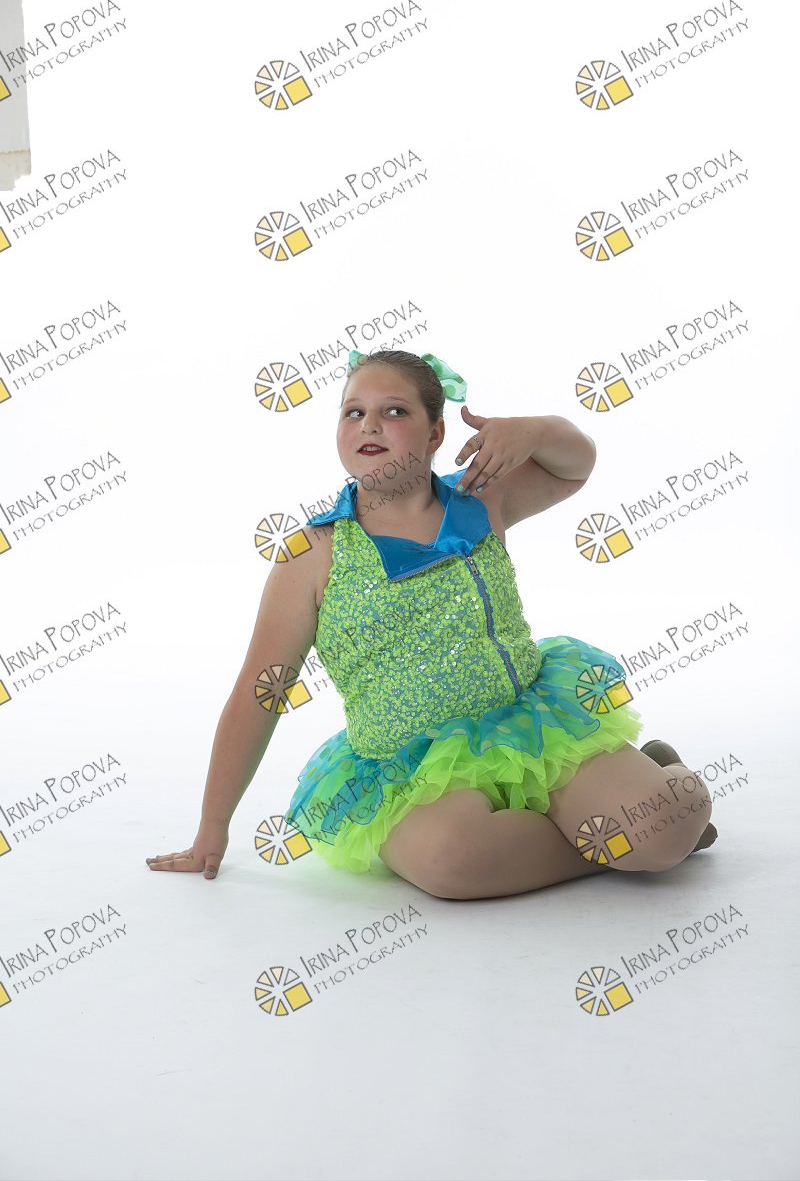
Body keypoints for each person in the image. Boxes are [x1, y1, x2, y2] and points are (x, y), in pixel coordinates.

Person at [146, 349, 717, 896]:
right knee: (452, 859)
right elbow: (261, 691)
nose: (370, 425)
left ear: (436, 432)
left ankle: (643, 800)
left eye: (395, 411)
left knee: (665, 828)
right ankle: (606, 841)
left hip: (531, 727)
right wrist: (212, 827)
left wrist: (537, 431)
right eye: (353, 412)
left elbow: (576, 465)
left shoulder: (481, 501)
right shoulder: (312, 554)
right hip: (409, 770)